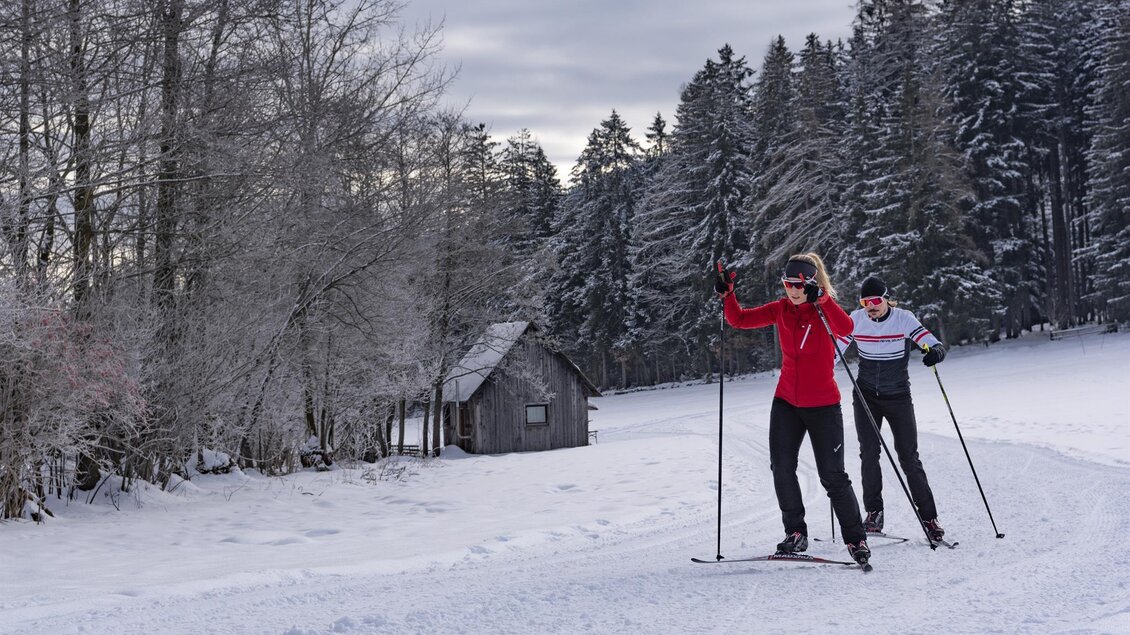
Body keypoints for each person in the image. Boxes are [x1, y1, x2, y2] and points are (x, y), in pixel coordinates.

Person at [715, 253, 871, 566]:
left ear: (811, 284)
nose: (792, 290)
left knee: (833, 476)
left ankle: (855, 538)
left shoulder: (823, 312)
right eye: (787, 284)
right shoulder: (781, 309)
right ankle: (796, 532)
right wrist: (728, 295)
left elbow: (847, 328)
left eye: (798, 285)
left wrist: (824, 300)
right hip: (786, 402)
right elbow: (739, 320)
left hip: (824, 405)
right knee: (781, 467)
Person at [841, 276, 947, 543]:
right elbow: (836, 348)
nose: (871, 307)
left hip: (898, 394)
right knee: (869, 453)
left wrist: (935, 350)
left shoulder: (903, 318)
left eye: (875, 301)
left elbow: (929, 340)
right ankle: (874, 514)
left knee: (908, 457)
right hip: (866, 395)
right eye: (865, 302)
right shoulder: (855, 319)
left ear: (887, 298)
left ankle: (929, 519)